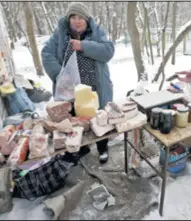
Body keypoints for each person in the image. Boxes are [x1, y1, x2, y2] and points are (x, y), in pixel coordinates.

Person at [41, 2, 115, 164]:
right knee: (74, 121)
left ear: (87, 19)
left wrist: (83, 45)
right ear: (68, 20)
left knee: (98, 119)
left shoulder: (96, 33)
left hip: (95, 89)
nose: (77, 21)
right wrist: (60, 76)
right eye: (73, 17)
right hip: (71, 90)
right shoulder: (60, 35)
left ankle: (102, 147)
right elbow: (46, 54)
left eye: (81, 17)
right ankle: (81, 148)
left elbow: (108, 51)